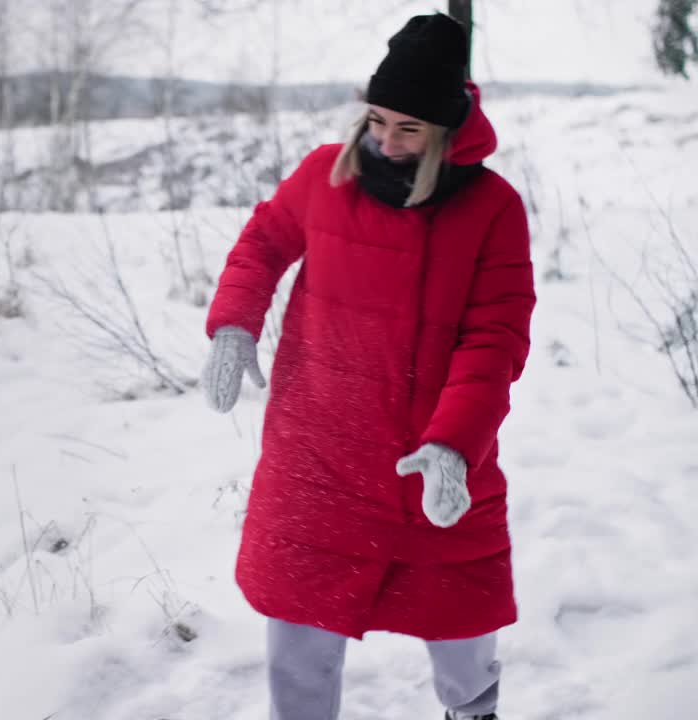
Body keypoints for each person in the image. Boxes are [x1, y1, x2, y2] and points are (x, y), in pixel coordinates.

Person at [199, 13, 536, 720]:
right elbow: (262, 243)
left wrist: (454, 444)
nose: (385, 140)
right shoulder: (325, 175)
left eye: (409, 128)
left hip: (429, 454)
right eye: (377, 119)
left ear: (449, 128)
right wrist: (234, 324)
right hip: (316, 448)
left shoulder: (492, 208)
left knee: (463, 630)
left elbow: (495, 337)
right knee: (297, 632)